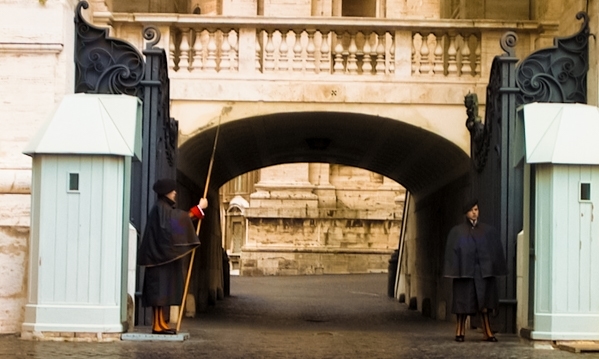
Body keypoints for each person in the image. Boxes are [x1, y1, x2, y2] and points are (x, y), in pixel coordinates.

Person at [137, 178, 208, 335]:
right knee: (159, 293)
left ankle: (161, 322)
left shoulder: (163, 208)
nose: (175, 192)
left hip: (162, 257)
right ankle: (157, 324)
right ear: (165, 192)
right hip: (158, 259)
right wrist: (199, 208)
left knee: (163, 292)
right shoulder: (160, 209)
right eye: (172, 190)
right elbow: (178, 221)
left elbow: (179, 221)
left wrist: (198, 211)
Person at [443, 199, 507, 342]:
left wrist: (490, 267)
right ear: (466, 213)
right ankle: (459, 331)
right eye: (472, 210)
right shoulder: (457, 232)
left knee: (485, 305)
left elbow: (493, 251)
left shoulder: (487, 231)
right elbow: (453, 253)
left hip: (483, 274)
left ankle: (487, 331)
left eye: (476, 209)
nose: (474, 213)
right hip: (465, 274)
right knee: (463, 304)